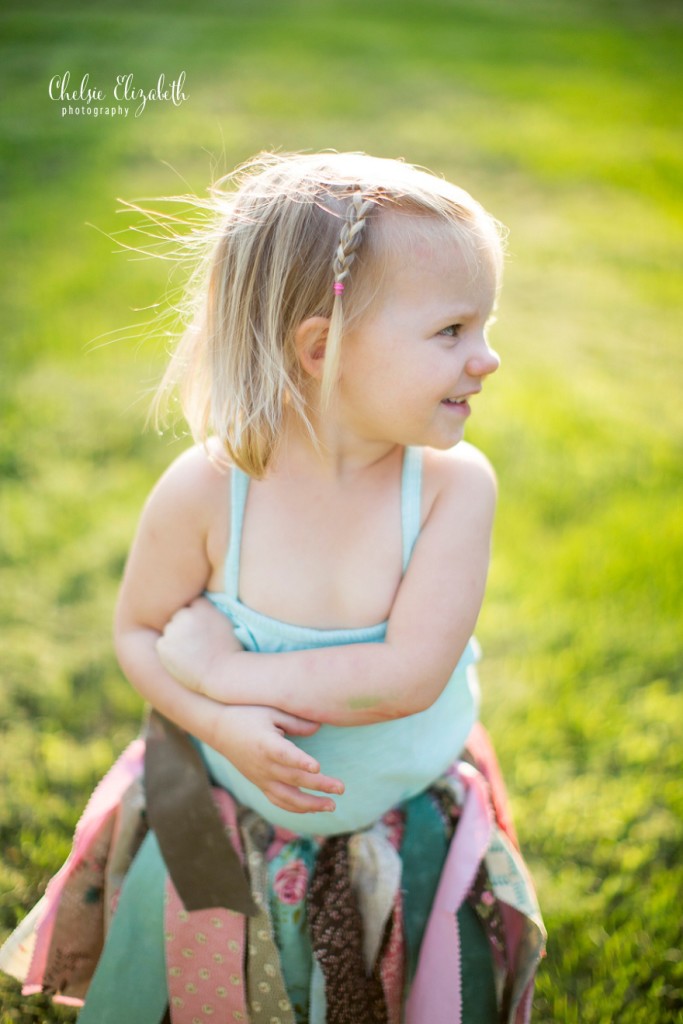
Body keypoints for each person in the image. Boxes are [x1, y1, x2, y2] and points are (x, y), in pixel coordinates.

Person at [0, 151, 545, 1023]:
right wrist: (219, 725)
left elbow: (407, 677)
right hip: (222, 823)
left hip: (400, 829)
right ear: (321, 347)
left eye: (483, 326)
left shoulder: (450, 486)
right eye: (451, 332)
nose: (487, 358)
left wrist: (223, 676)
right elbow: (141, 631)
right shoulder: (208, 489)